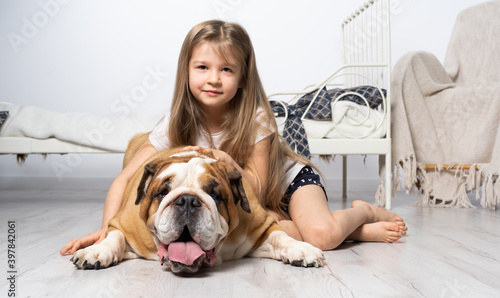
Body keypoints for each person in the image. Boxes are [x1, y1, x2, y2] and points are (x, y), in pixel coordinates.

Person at [60, 20, 406, 256]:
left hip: (285, 183)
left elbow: (256, 184)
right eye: (203, 68)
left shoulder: (255, 118)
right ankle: (354, 234)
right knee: (275, 238)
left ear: (242, 78)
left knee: (321, 236)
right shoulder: (176, 122)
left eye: (226, 69)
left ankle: (362, 215)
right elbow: (126, 178)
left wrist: (229, 165)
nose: (214, 79)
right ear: (186, 73)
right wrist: (107, 231)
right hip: (248, 201)